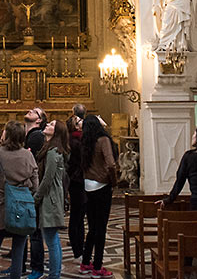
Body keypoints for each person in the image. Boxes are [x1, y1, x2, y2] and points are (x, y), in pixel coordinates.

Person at [0, 121, 38, 279]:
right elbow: (35, 184)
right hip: (20, 210)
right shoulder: (28, 154)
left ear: (7, 134)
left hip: (0, 209)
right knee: (18, 254)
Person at [80, 115, 116, 278]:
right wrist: (113, 181)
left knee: (92, 227)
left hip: (88, 185)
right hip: (102, 185)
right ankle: (98, 266)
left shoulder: (85, 142)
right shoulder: (103, 140)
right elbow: (110, 164)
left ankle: (85, 262)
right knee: (101, 228)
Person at [35, 120, 69, 279]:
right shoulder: (51, 150)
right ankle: (55, 273)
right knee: (52, 238)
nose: (47, 124)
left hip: (50, 200)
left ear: (56, 132)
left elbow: (47, 179)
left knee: (51, 240)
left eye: (51, 124)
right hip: (52, 198)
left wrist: (36, 197)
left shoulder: (53, 152)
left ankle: (54, 275)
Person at [22, 107, 47, 279]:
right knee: (23, 229)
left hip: (32, 188)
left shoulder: (37, 137)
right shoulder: (29, 135)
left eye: (35, 111)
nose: (30, 110)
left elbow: (33, 164)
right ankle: (20, 264)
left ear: (39, 120)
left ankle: (37, 268)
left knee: (35, 232)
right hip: (25, 187)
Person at [65, 114, 86, 260]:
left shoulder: (78, 139)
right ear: (75, 126)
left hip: (78, 180)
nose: (82, 121)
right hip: (78, 180)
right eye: (78, 121)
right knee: (77, 216)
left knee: (79, 216)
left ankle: (80, 246)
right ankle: (77, 249)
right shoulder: (75, 140)